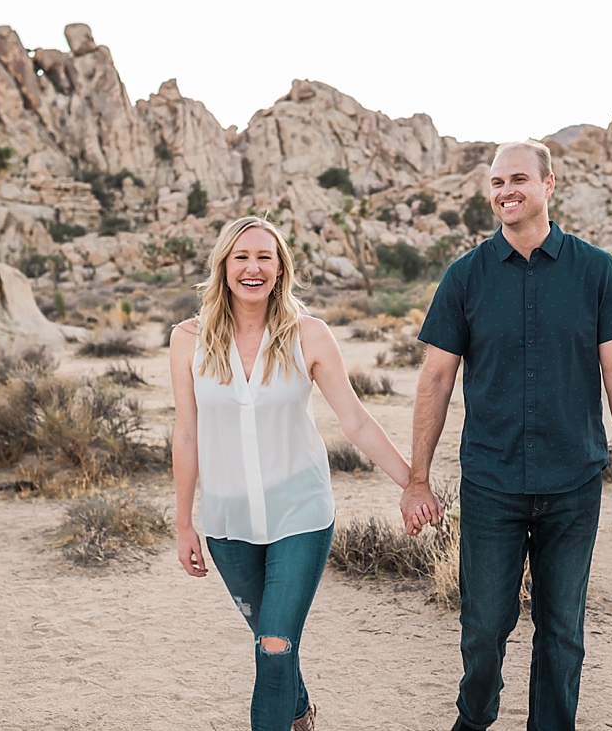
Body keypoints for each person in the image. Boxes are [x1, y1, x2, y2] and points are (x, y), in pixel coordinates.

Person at [401, 140, 612, 731]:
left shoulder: (595, 270)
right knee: (483, 626)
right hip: (491, 481)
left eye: (517, 179)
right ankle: (475, 716)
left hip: (574, 480)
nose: (505, 191)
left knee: (563, 630)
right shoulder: (465, 276)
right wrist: (417, 479)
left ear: (548, 184)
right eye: (495, 183)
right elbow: (435, 379)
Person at [169, 216, 431, 731]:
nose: (253, 267)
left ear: (281, 268)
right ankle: (300, 715)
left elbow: (354, 418)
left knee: (273, 646)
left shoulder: (309, 335)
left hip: (300, 517)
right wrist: (183, 524)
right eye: (241, 257)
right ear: (223, 266)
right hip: (228, 525)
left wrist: (412, 482)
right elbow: (186, 434)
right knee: (273, 643)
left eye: (265, 257)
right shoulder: (188, 340)